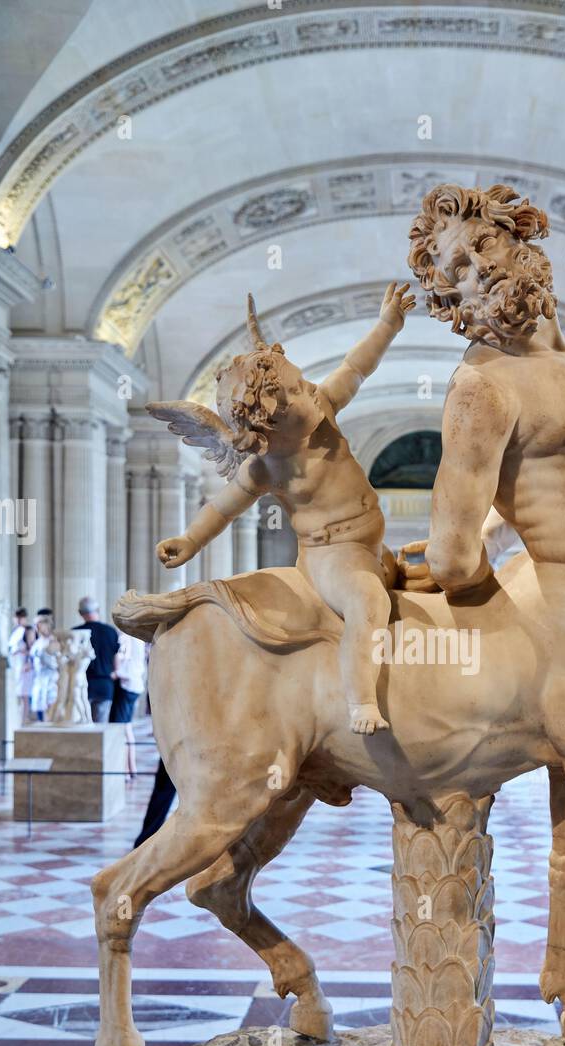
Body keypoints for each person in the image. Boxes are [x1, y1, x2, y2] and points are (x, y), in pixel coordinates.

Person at [150, 282, 415, 735]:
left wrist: (387, 324)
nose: (311, 389)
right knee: (367, 601)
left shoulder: (324, 407)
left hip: (372, 545)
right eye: (298, 390)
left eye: (305, 381)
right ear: (267, 423)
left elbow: (356, 366)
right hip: (331, 558)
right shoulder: (264, 469)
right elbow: (220, 509)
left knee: (431, 573)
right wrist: (190, 539)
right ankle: (361, 701)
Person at [72, 596, 119, 723]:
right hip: (105, 684)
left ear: (80, 613)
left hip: (81, 684)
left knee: (81, 726)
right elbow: (116, 656)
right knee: (101, 728)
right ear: (98, 610)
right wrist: (115, 672)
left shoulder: (76, 633)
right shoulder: (111, 631)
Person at [111, 632, 146, 777]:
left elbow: (121, 655)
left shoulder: (126, 637)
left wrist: (116, 672)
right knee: (128, 727)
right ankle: (132, 768)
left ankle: (125, 770)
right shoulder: (139, 638)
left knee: (122, 729)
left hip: (126, 684)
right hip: (136, 684)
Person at [29, 616, 59, 720]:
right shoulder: (37, 642)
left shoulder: (53, 640)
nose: (36, 627)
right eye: (35, 624)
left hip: (51, 679)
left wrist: (44, 658)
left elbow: (57, 662)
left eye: (39, 624)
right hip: (39, 679)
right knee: (39, 712)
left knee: (50, 712)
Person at [8, 607, 35, 723]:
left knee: (24, 695)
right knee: (18, 695)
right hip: (16, 666)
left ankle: (25, 719)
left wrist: (28, 661)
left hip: (24, 666)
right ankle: (20, 718)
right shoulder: (16, 631)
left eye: (20, 618)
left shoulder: (28, 630)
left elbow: (32, 648)